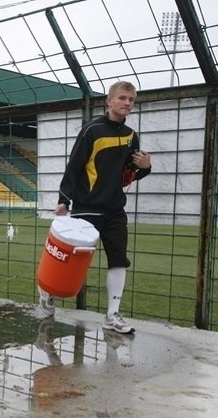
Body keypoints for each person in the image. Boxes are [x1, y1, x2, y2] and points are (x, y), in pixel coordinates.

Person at [52, 80, 152, 334]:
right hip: (87, 208)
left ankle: (112, 315)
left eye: (131, 100)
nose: (127, 103)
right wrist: (64, 199)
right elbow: (74, 166)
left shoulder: (131, 136)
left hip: (115, 210)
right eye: (122, 98)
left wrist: (145, 166)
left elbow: (130, 174)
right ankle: (47, 291)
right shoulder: (91, 130)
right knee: (69, 260)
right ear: (109, 100)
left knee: (118, 260)